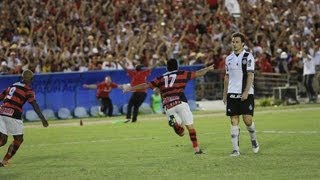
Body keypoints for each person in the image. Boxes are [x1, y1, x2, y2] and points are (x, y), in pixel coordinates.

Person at [124, 58, 214, 154]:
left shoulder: (160, 78)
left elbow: (146, 85)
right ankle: (197, 149)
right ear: (177, 66)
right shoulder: (182, 73)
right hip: (180, 101)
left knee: (181, 133)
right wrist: (208, 68)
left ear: (167, 67)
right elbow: (199, 73)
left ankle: (176, 125)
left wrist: (131, 88)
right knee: (190, 127)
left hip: (168, 105)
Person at [0, 69, 49, 167]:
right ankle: (4, 161)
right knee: (18, 139)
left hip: (1, 112)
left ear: (22, 77)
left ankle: (3, 162)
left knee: (3, 139)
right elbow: (34, 105)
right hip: (13, 114)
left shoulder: (13, 85)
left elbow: (1, 96)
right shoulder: (28, 90)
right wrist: (43, 119)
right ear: (32, 79)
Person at [222, 32, 259, 157]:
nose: (234, 44)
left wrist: (246, 91)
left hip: (246, 92)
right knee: (234, 120)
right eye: (233, 41)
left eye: (237, 41)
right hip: (232, 92)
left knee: (247, 120)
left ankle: (254, 140)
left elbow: (250, 75)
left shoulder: (248, 56)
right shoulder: (229, 58)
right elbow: (226, 76)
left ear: (243, 43)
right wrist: (224, 93)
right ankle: (235, 150)